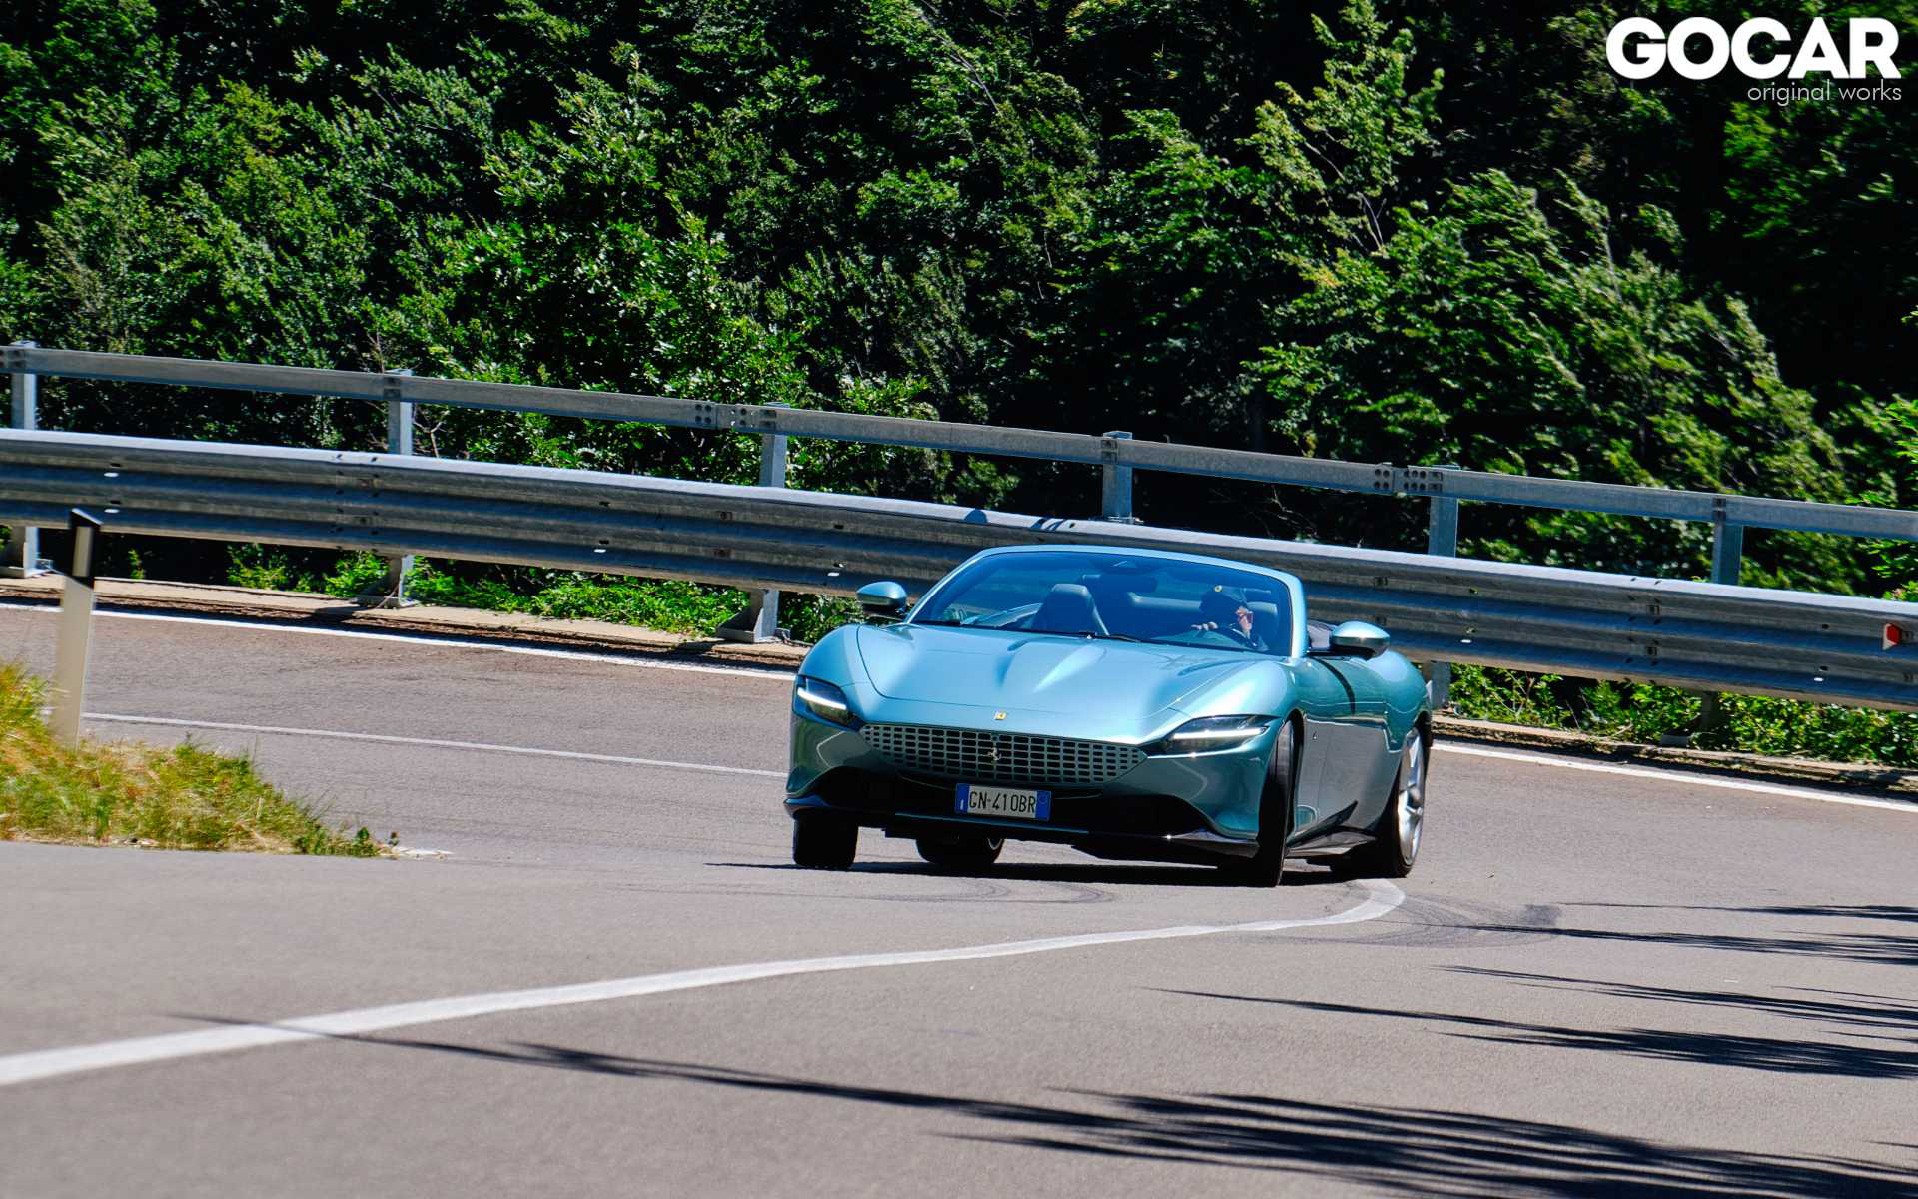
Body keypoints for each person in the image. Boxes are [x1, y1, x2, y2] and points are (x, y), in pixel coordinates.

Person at [1190, 589, 1267, 651]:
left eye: (1230, 617)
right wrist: (1193, 638)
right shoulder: (1194, 639)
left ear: (1248, 619)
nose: (1222, 625)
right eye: (1214, 617)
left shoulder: (1264, 657)